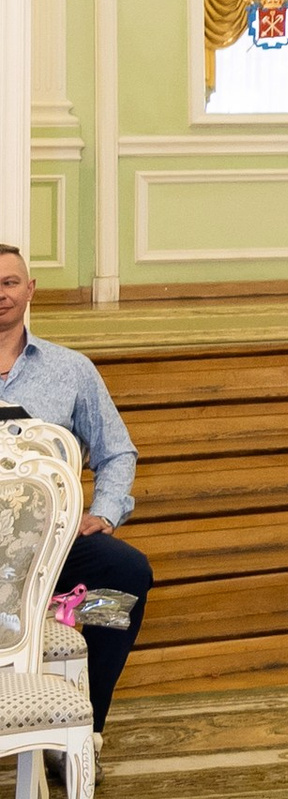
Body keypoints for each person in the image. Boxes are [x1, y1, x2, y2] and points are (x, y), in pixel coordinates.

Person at [0, 243, 146, 731]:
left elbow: (117, 451)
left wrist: (104, 512)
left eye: (10, 283)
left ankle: (86, 723)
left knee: (124, 579)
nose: (1, 294)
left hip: (51, 550)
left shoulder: (71, 370)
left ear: (30, 290)